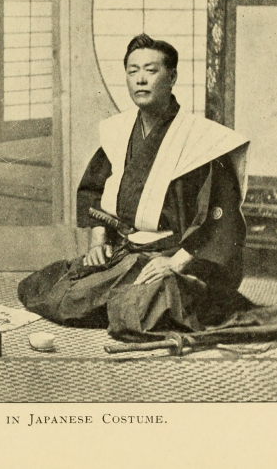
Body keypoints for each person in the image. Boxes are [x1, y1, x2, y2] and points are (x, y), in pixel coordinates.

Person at [18, 34, 251, 339]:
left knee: (139, 308)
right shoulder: (119, 132)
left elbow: (222, 222)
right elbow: (93, 189)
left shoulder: (202, 142)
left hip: (182, 257)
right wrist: (98, 242)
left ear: (172, 77)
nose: (140, 80)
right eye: (132, 71)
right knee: (54, 291)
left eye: (151, 71)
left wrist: (174, 263)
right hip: (128, 250)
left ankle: (179, 292)